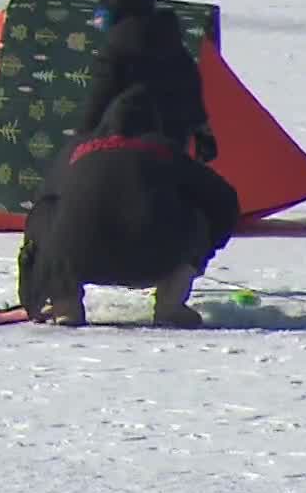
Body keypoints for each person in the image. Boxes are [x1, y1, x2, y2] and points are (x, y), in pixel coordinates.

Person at [18, 84, 240, 328]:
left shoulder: (76, 151)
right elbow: (224, 200)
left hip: (79, 259)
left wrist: (33, 287)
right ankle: (170, 304)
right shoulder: (165, 151)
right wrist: (202, 253)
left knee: (46, 213)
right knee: (197, 213)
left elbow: (42, 200)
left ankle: (65, 303)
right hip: (156, 258)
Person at [80, 0, 218, 163]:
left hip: (120, 161)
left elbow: (95, 110)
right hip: (169, 160)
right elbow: (190, 92)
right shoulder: (174, 46)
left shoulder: (114, 52)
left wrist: (74, 153)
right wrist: (202, 131)